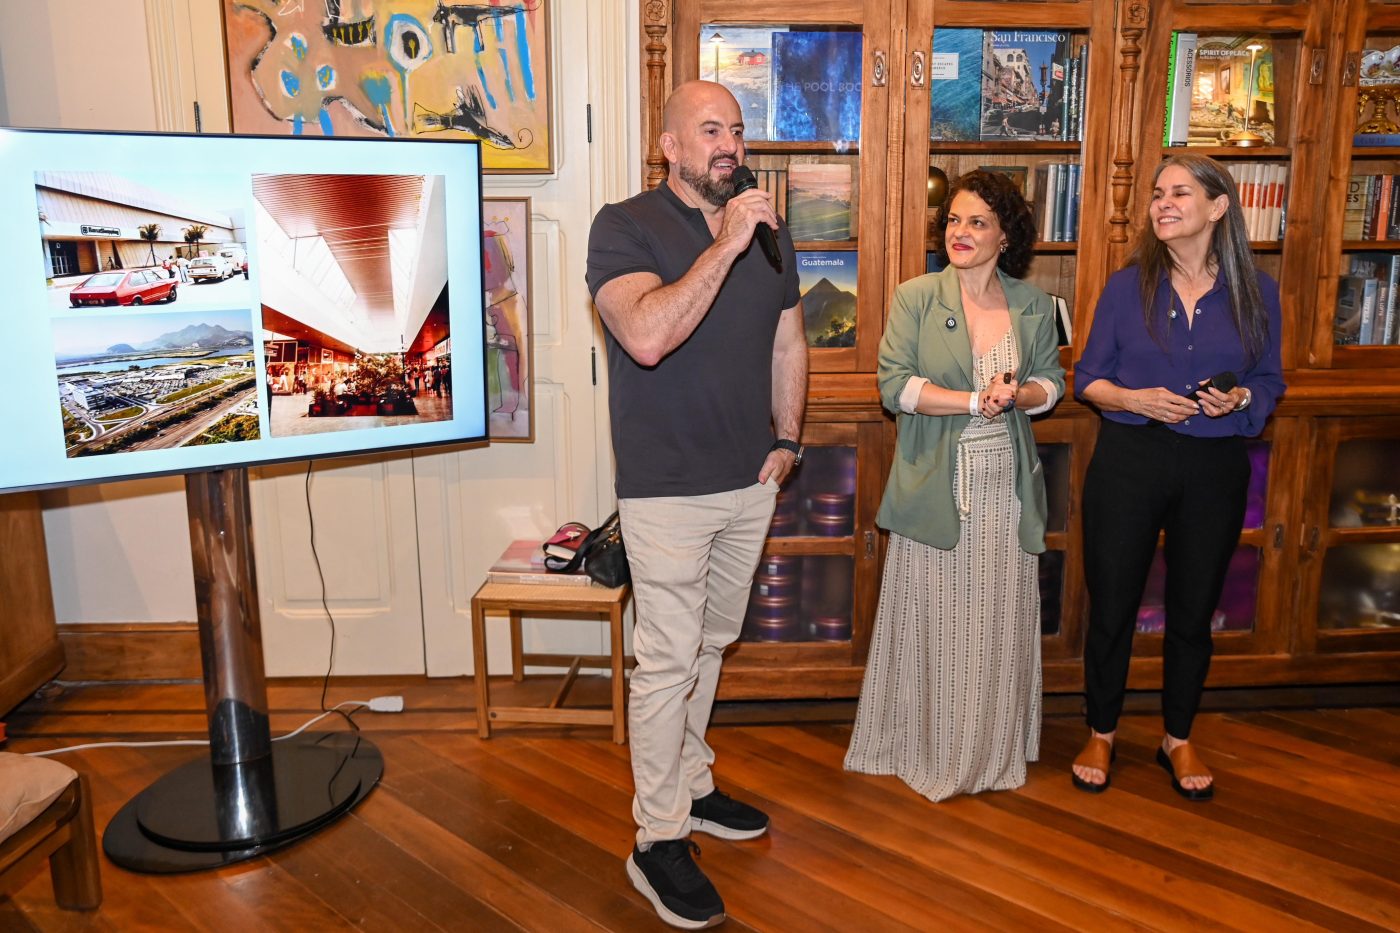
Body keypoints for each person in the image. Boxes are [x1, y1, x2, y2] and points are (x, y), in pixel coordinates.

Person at [586, 79, 807, 930]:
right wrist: (726, 239)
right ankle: (657, 836)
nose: (729, 144)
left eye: (738, 130)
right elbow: (645, 335)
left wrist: (787, 441)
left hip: (749, 481)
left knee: (713, 643)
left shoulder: (768, 230)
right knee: (668, 661)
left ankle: (694, 782)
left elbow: (789, 336)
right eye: (709, 129)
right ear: (669, 146)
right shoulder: (626, 225)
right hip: (667, 487)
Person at [844, 169, 1065, 802]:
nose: (960, 234)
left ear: (1004, 236)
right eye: (953, 222)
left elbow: (1054, 384)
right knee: (936, 620)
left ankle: (992, 745)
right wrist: (975, 400)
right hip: (939, 482)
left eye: (977, 223)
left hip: (1007, 488)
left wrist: (1022, 393)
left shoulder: (1033, 305)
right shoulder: (917, 296)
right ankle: (927, 745)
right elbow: (896, 388)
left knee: (996, 619)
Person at [1071, 154, 1284, 800]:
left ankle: (1177, 735)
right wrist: (1136, 400)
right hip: (1131, 459)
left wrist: (1240, 401)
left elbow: (1269, 379)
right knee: (1112, 605)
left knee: (1194, 610)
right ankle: (1101, 730)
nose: (1162, 203)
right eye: (1158, 194)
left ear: (1218, 207)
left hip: (1215, 464)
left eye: (1179, 193)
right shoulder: (1125, 286)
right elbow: (1088, 379)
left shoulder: (1258, 292)